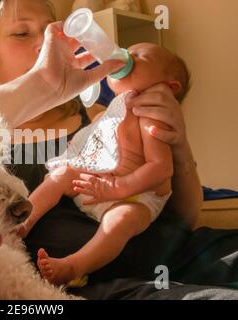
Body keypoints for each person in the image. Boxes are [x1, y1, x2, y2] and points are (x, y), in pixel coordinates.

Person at [0, 0, 238, 298]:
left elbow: (184, 217)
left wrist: (178, 145)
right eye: (22, 34)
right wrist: (36, 87)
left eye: (50, 30)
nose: (44, 44)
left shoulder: (100, 111)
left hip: (185, 254)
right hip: (105, 286)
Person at [18, 43, 189, 286]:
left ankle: (74, 265)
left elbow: (161, 168)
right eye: (129, 50)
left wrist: (118, 187)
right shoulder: (115, 108)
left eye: (140, 56)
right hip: (97, 185)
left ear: (168, 87)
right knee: (61, 174)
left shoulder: (150, 116)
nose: (127, 55)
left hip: (135, 197)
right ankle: (25, 221)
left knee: (122, 221)